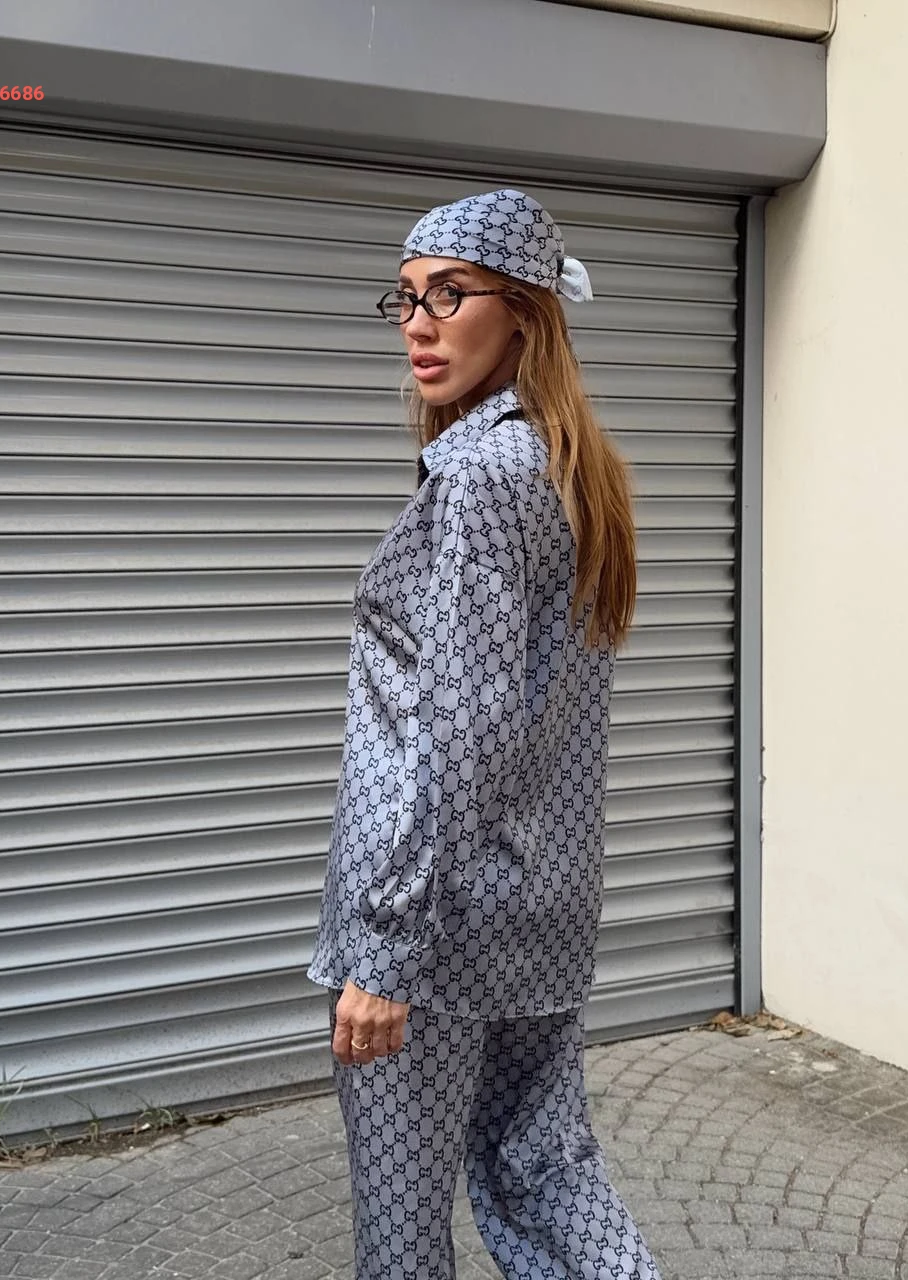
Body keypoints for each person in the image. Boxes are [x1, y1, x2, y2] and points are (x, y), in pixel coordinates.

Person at [306, 188, 660, 1279]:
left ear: (524, 312)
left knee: (403, 1229)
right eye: (406, 298)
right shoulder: (562, 464)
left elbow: (462, 731)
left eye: (449, 295)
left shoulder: (475, 476)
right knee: (544, 1175)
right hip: (540, 902)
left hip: (434, 918)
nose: (417, 324)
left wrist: (385, 951)